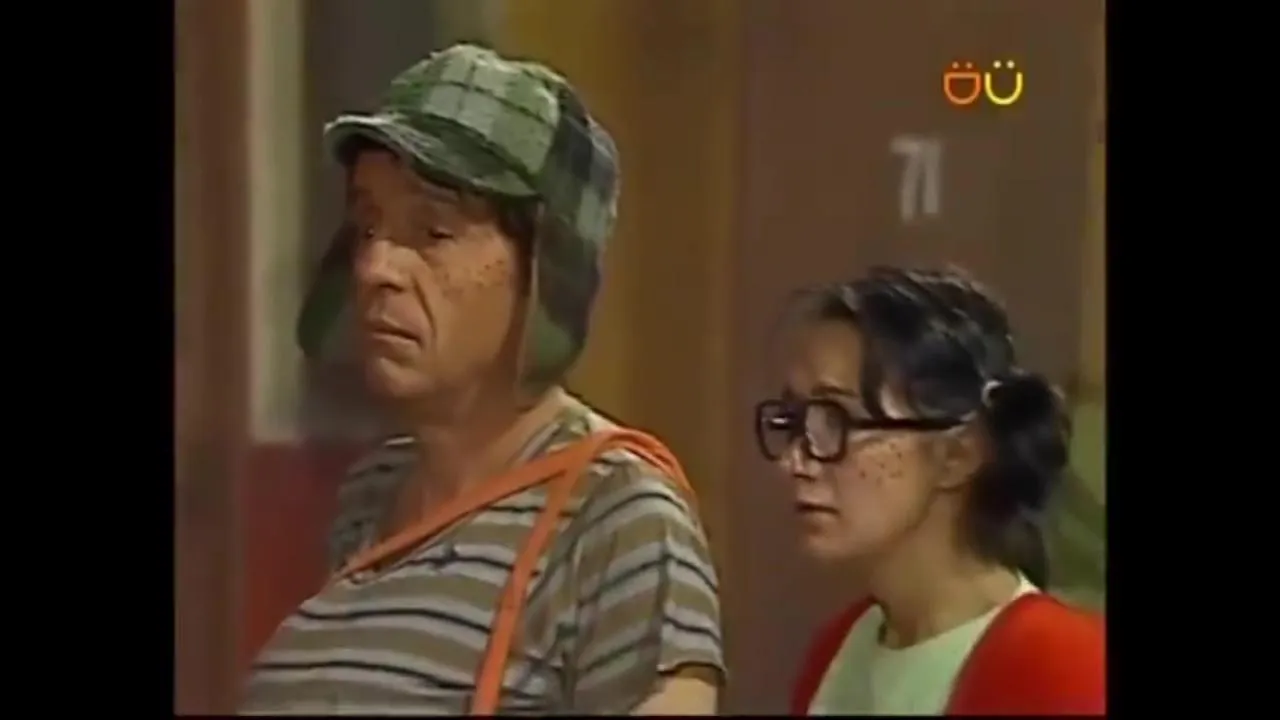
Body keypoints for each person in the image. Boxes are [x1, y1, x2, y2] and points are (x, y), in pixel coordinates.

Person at [241, 44, 724, 715]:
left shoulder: (619, 517)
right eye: (368, 224)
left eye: (432, 232)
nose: (376, 267)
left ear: (545, 268)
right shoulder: (371, 495)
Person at [754, 267, 1104, 715]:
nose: (794, 461)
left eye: (836, 419)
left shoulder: (1064, 668)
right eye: (794, 420)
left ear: (958, 454)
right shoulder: (839, 648)